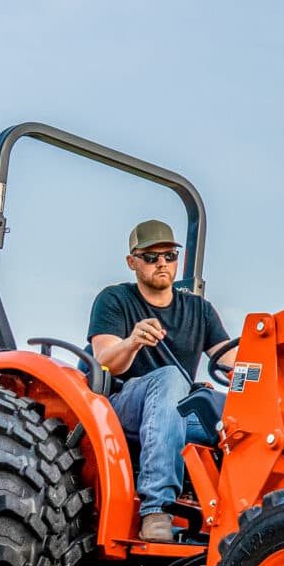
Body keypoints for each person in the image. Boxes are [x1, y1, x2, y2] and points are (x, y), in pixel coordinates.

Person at [89, 220, 231, 543]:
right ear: (132, 262)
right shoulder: (114, 300)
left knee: (234, 415)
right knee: (169, 379)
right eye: (151, 257)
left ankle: (243, 517)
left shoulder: (199, 310)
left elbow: (229, 359)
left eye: (169, 255)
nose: (162, 263)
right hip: (123, 408)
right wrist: (132, 341)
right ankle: (156, 510)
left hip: (176, 412)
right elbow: (105, 360)